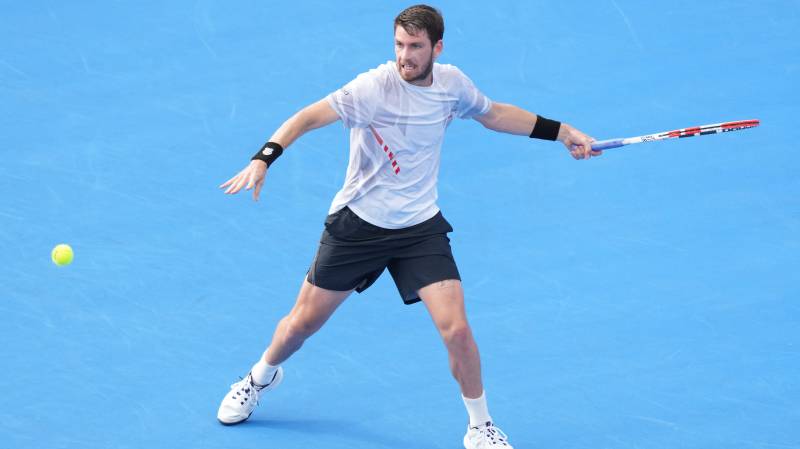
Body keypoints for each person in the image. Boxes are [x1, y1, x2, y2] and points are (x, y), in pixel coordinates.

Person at [217, 4, 600, 448]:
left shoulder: (452, 84)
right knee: (299, 326)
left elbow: (494, 114)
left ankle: (480, 427)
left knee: (457, 330)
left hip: (419, 228)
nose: (405, 55)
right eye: (399, 44)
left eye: (415, 47)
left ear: (436, 48)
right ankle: (259, 377)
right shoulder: (370, 89)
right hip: (358, 226)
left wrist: (563, 132)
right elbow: (305, 118)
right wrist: (264, 158)